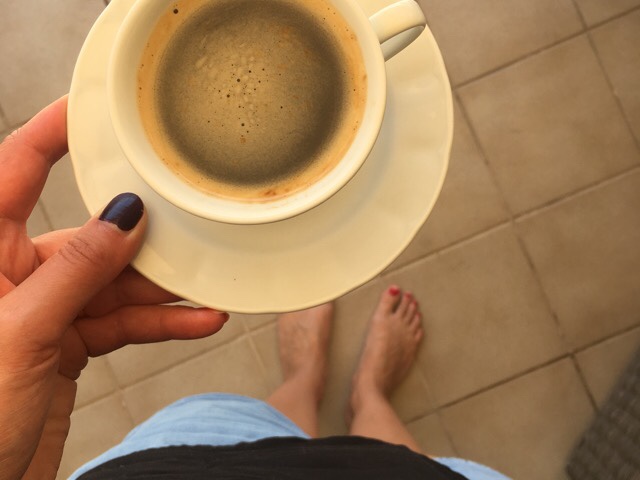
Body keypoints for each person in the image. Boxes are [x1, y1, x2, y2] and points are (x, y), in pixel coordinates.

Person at [0, 98, 509, 479]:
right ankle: (367, 397)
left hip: (178, 466)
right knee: (388, 459)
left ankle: (312, 381)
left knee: (250, 425)